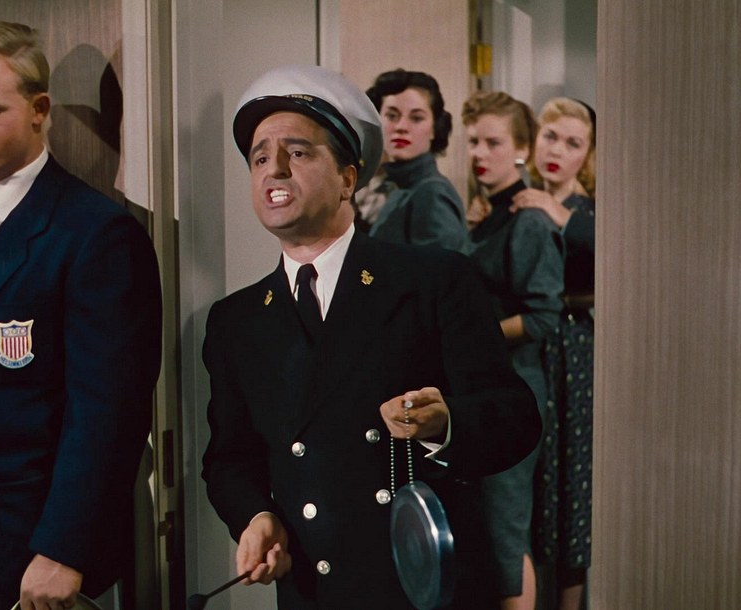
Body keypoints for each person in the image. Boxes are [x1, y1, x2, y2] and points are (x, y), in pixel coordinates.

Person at [201, 64, 541, 609]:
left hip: (421, 586)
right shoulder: (235, 321)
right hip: (315, 591)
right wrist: (256, 516)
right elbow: (229, 460)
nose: (275, 169)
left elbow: (516, 418)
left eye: (298, 152)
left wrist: (445, 422)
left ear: (348, 179)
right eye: (260, 158)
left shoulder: (433, 280)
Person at [0, 22, 162, 610]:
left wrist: (65, 548)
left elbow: (107, 415)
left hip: (21, 555)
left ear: (39, 110)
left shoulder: (96, 234)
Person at [461, 90, 565, 610]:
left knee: (506, 534)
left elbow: (544, 317)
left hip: (516, 389)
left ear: (522, 149)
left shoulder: (530, 220)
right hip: (485, 390)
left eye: (493, 143)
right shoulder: (489, 215)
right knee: (487, 534)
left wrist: (473, 337)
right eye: (473, 141)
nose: (480, 153)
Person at [511, 97, 596, 610]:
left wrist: (555, 211)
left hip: (574, 355)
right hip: (529, 352)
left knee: (571, 482)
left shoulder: (588, 210)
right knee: (533, 479)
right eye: (550, 137)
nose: (557, 151)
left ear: (587, 155)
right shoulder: (516, 199)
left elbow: (612, 266)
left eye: (572, 143)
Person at [364, 69, 468, 252]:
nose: (401, 127)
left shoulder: (431, 194)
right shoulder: (400, 187)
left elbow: (442, 268)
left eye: (416, 118)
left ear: (435, 128)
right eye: (392, 116)